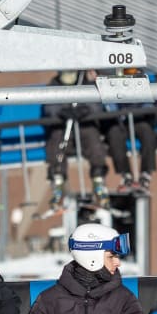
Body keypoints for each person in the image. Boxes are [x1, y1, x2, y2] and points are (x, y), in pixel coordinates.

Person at [41, 69, 105, 212]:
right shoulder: (53, 85)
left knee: (92, 138)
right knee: (56, 142)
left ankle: (98, 181)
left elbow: (96, 106)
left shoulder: (85, 83)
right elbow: (49, 108)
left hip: (83, 124)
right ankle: (58, 183)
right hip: (63, 126)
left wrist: (85, 110)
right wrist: (61, 112)